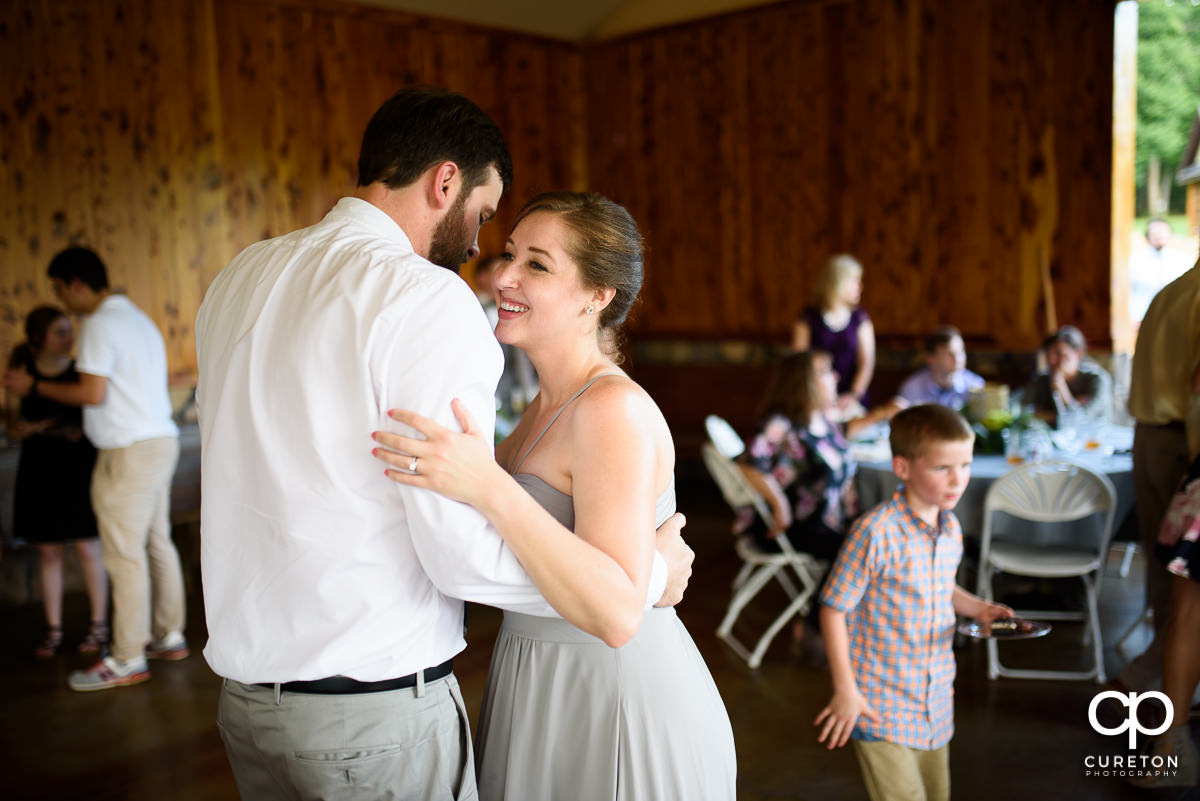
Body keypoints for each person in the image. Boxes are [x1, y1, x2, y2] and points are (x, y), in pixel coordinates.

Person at [195, 89, 693, 801]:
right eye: (486, 217)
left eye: (532, 260)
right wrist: (639, 582)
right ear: (446, 181)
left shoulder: (240, 276)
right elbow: (458, 555)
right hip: (371, 718)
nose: (481, 252)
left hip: (248, 708)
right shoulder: (422, 297)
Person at [371, 190, 735, 800]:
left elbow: (614, 612)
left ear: (597, 297)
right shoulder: (538, 409)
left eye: (536, 265)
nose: (502, 276)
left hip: (615, 690)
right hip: (532, 675)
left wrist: (487, 486)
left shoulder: (609, 409)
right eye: (509, 254)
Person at [4, 247, 185, 691]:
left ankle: (126, 657)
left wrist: (33, 386)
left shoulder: (100, 325)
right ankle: (170, 634)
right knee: (157, 541)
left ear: (76, 284)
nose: (62, 300)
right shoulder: (138, 319)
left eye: (60, 290)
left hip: (126, 450)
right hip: (160, 440)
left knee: (123, 554)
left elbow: (91, 393)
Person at [814, 404, 1011, 801]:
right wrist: (846, 690)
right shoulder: (874, 532)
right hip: (879, 703)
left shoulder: (949, 526)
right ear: (902, 468)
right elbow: (834, 608)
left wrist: (980, 609)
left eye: (965, 465)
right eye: (942, 468)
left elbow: (940, 586)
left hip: (934, 698)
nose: (958, 480)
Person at [1115, 262, 1200, 703]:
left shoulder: (1171, 290)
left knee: (1161, 566)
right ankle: (1169, 688)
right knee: (1185, 578)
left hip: (1147, 438)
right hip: (1183, 445)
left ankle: (1149, 676)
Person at [6, 306, 108, 658]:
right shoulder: (21, 372)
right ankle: (54, 629)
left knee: (87, 546)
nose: (68, 338)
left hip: (78, 466)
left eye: (69, 330)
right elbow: (13, 425)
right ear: (39, 338)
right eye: (60, 332)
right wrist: (31, 428)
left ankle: (99, 626)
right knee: (48, 551)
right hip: (40, 467)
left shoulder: (82, 370)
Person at [792, 254, 875, 410]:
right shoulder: (808, 318)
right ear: (839, 283)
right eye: (855, 281)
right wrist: (820, 397)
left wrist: (853, 395)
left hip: (852, 398)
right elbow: (800, 363)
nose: (860, 287)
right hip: (816, 397)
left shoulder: (859, 318)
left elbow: (867, 362)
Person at [474, 253, 538, 437]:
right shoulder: (473, 312)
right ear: (482, 277)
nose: (504, 278)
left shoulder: (517, 310)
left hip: (518, 393)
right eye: (497, 271)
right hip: (490, 398)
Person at [1024, 325, 1112, 427]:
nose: (1051, 361)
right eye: (1048, 355)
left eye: (1059, 354)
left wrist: (1061, 389)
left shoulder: (1098, 379)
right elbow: (1022, 412)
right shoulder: (1042, 379)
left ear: (1078, 354)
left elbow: (1083, 420)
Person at [897, 325, 984, 409]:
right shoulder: (913, 387)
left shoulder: (975, 386)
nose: (957, 359)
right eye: (949, 353)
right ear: (930, 358)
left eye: (960, 352)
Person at [1129, 218, 1193, 325]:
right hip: (1142, 317)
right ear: (1147, 236)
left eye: (1162, 232)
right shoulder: (1135, 261)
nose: (1159, 235)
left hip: (1176, 318)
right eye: (1155, 232)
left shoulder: (1183, 260)